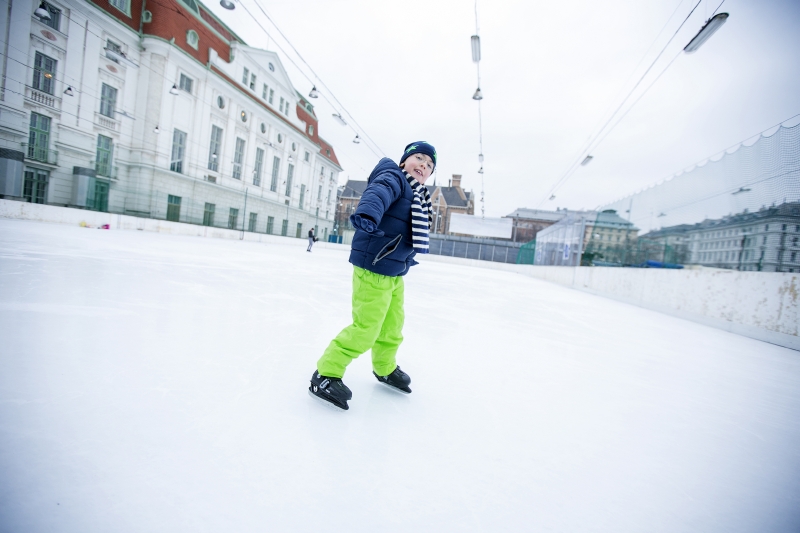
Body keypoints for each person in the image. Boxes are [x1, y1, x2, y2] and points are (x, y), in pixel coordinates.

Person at [308, 141, 436, 410]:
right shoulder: (393, 177)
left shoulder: (418, 196)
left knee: (392, 327)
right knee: (366, 328)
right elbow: (379, 193)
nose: (424, 165)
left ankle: (384, 367)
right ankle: (326, 374)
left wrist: (407, 260)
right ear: (404, 162)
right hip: (374, 267)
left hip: (394, 271)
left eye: (429, 165)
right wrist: (368, 213)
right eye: (419, 158)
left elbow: (408, 233)